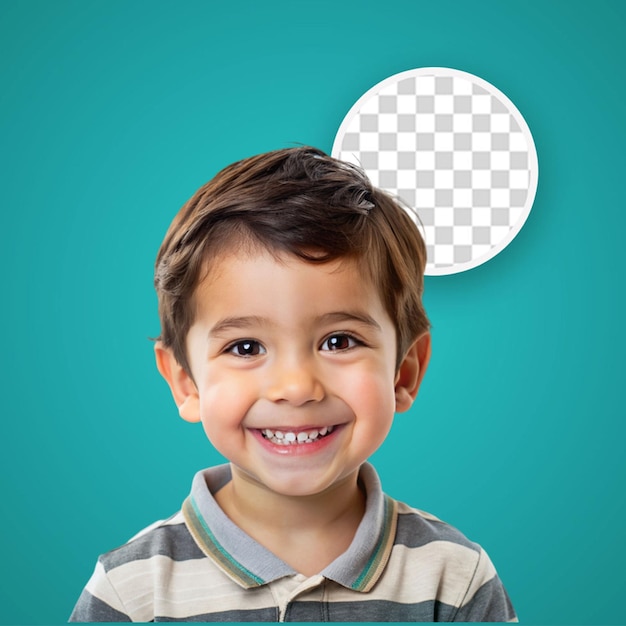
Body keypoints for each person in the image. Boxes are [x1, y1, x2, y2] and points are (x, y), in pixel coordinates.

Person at [70, 146, 516, 622]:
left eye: (339, 341)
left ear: (403, 372)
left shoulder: (454, 577)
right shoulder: (132, 589)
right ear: (186, 382)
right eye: (246, 348)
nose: (296, 386)